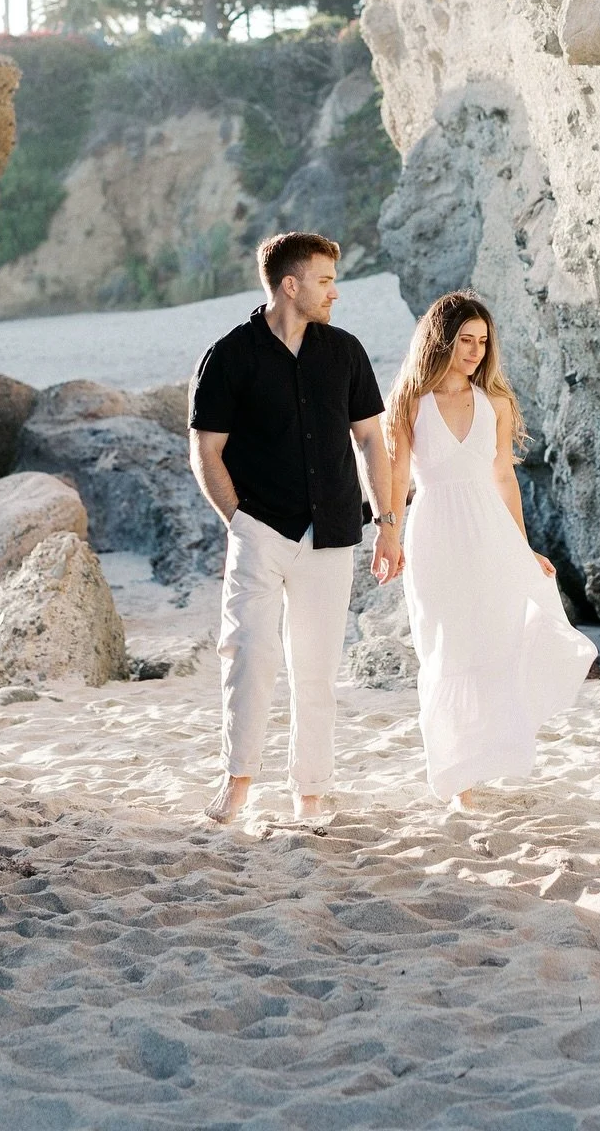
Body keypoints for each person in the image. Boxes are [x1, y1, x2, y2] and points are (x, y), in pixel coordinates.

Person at [188, 231, 400, 824]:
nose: (336, 291)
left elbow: (369, 441)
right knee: (248, 657)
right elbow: (207, 451)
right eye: (326, 279)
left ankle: (311, 789)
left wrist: (388, 524)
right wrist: (239, 521)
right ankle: (238, 782)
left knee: (316, 671)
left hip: (332, 531)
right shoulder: (230, 355)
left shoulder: (345, 352)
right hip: (260, 532)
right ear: (290, 284)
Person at [386, 291, 596, 807]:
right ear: (441, 340)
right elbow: (395, 475)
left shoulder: (495, 403)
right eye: (465, 340)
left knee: (494, 642)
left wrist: (523, 548)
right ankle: (455, 775)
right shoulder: (410, 400)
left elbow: (504, 478)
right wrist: (386, 534)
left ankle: (478, 763)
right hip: (433, 529)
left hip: (488, 531)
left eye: (483, 341)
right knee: (442, 649)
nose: (476, 351)